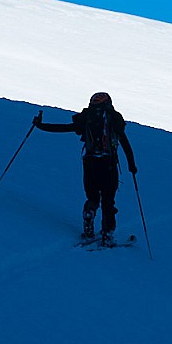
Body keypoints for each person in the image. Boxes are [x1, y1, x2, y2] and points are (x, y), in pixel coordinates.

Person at [33, 92, 137, 245]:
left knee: (93, 197)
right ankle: (107, 234)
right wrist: (131, 165)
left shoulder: (86, 117)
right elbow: (125, 143)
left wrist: (40, 125)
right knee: (108, 201)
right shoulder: (114, 119)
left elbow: (65, 128)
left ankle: (89, 216)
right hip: (108, 164)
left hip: (89, 163)